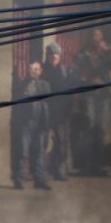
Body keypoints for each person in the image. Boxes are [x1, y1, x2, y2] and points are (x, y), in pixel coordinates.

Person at [71, 28, 111, 175]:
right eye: (93, 36)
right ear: (89, 38)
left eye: (98, 35)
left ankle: (98, 165)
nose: (96, 39)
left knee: (100, 130)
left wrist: (109, 51)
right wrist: (88, 80)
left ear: (102, 37)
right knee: (88, 128)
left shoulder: (107, 51)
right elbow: (74, 72)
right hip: (89, 95)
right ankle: (86, 165)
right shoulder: (82, 53)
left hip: (103, 95)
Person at [11, 61, 51, 189]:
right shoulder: (22, 84)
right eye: (32, 69)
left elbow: (46, 98)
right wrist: (28, 80)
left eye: (36, 69)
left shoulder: (45, 85)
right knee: (23, 151)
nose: (34, 71)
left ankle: (39, 180)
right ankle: (18, 180)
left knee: (39, 151)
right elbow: (20, 95)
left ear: (41, 71)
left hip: (40, 122)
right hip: (26, 122)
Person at [41, 42, 71, 180]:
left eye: (56, 54)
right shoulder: (41, 70)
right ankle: (40, 172)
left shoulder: (64, 70)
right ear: (47, 55)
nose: (54, 57)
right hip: (46, 111)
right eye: (51, 54)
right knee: (43, 143)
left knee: (61, 144)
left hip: (61, 112)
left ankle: (58, 170)